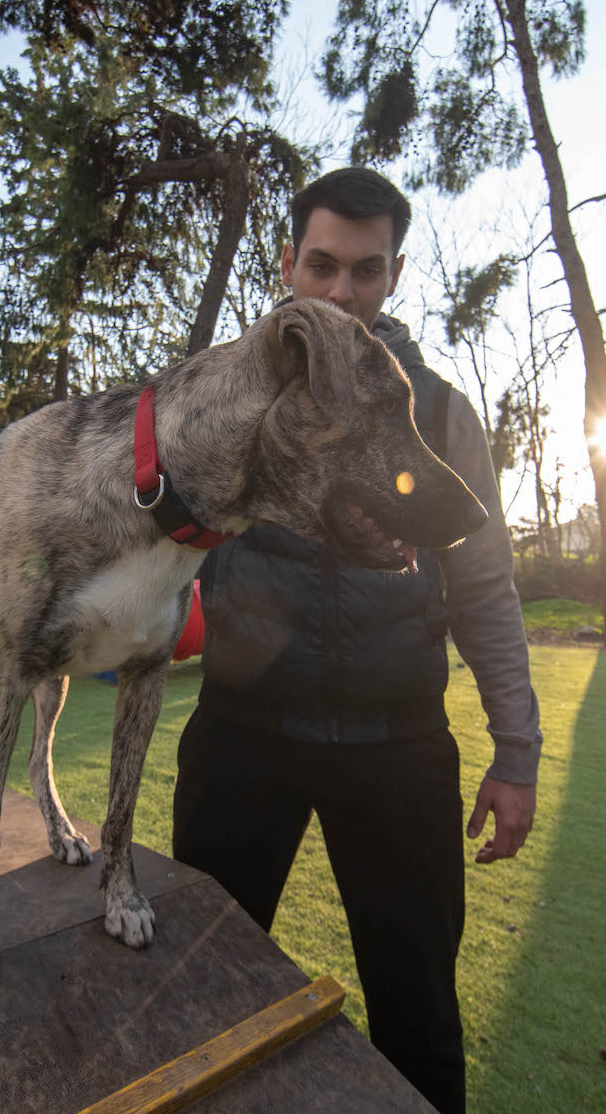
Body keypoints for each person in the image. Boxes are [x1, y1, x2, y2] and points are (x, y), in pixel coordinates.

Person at [171, 167, 541, 1114]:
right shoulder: (220, 399)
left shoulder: (443, 412)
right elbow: (117, 488)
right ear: (287, 264)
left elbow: (486, 587)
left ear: (395, 275)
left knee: (419, 1021)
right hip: (242, 742)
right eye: (324, 266)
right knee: (195, 1003)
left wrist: (516, 751)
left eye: (366, 272)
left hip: (399, 751)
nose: (343, 292)